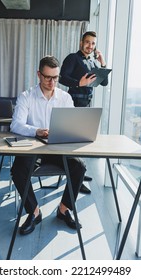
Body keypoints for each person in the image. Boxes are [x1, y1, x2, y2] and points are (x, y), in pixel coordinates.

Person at [10, 55, 86, 235]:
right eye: (47, 77)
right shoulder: (26, 96)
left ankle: (64, 209)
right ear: (38, 74)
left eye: (55, 78)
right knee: (18, 170)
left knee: (79, 168)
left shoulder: (65, 97)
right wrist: (36, 131)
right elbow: (15, 125)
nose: (52, 82)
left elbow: (73, 124)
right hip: (33, 147)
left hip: (57, 147)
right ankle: (34, 212)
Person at [59, 31, 108, 194]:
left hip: (86, 103)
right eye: (87, 42)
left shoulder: (94, 61)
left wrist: (102, 63)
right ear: (81, 43)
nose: (90, 46)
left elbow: (104, 83)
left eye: (93, 43)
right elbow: (61, 78)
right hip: (72, 102)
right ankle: (76, 180)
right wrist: (78, 83)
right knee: (73, 143)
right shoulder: (73, 58)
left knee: (81, 142)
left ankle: (78, 173)